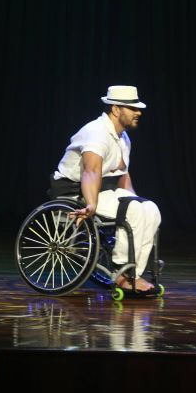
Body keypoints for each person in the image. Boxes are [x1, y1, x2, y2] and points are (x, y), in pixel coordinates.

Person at [50, 85, 161, 292]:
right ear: (116, 109)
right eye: (133, 108)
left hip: (103, 189)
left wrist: (136, 199)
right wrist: (91, 204)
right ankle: (123, 272)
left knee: (150, 209)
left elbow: (123, 175)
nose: (139, 112)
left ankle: (134, 272)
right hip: (75, 190)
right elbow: (91, 171)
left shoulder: (123, 137)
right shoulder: (96, 132)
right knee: (135, 211)